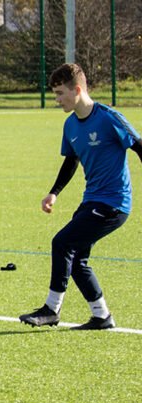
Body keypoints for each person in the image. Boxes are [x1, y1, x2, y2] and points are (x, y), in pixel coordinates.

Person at [19, 63, 142, 330]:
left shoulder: (109, 118)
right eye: (55, 94)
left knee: (62, 243)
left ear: (77, 89)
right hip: (92, 201)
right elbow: (70, 161)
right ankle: (102, 316)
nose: (57, 100)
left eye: (60, 93)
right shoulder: (70, 125)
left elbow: (140, 147)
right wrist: (54, 192)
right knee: (75, 259)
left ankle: (51, 309)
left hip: (114, 204)